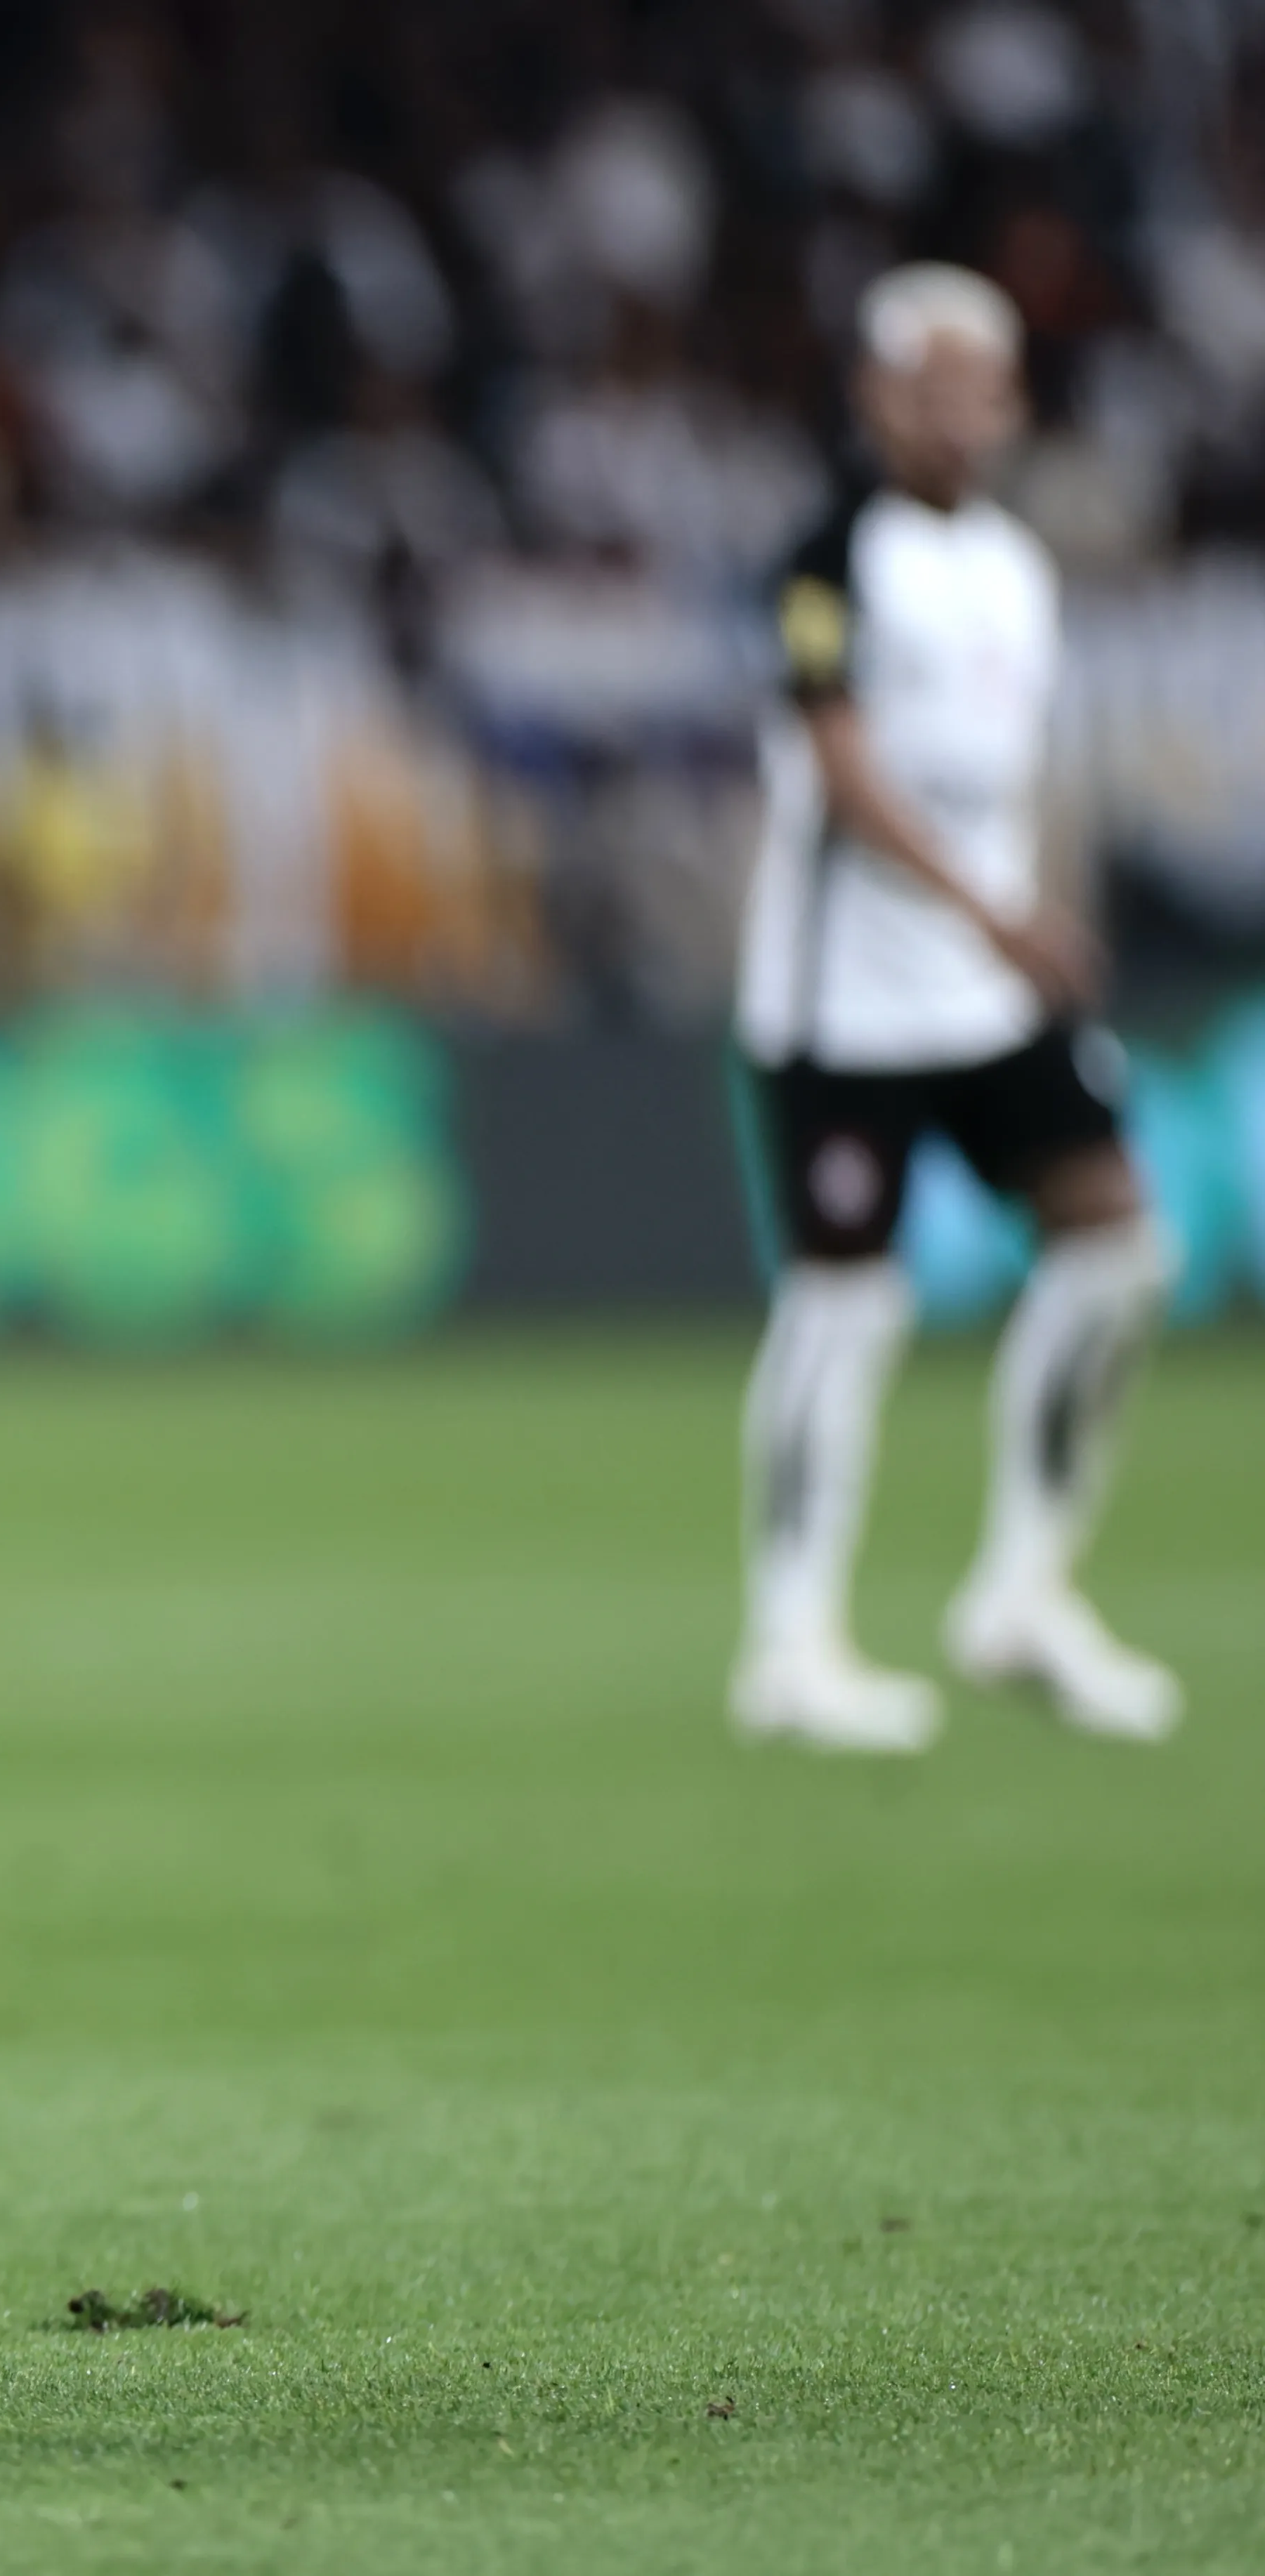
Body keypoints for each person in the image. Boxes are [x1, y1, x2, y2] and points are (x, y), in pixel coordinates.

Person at [728, 263, 1181, 1756]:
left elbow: (1020, 775)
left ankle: (1025, 1593)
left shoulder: (1013, 565)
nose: (957, 413)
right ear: (873, 394)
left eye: (980, 386)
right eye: (927, 384)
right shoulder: (826, 554)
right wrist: (997, 913)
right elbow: (844, 772)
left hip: (986, 991)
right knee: (847, 1302)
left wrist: (1041, 918)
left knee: (1116, 1242)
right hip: (843, 1000)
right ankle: (790, 1642)